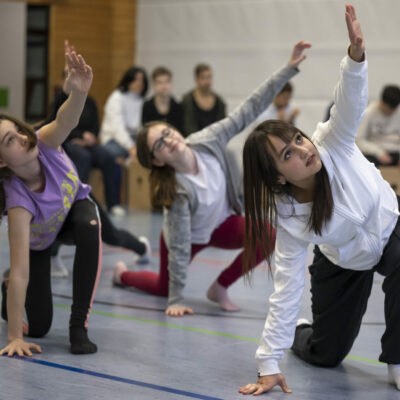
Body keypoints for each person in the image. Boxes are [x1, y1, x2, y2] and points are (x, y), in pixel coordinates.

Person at [239, 5, 400, 395]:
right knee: (326, 354)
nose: (302, 149)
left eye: (297, 139)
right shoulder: (291, 221)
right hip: (343, 260)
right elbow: (286, 287)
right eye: (287, 155)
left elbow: (350, 101)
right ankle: (303, 334)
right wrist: (268, 361)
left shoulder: (334, 142)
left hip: (390, 226)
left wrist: (356, 57)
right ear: (277, 176)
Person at [112, 41, 311, 317]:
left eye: (167, 133)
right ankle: (123, 276)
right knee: (162, 287)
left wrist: (287, 70)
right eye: (159, 144)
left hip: (222, 224)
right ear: (157, 160)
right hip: (188, 238)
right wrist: (176, 300)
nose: (168, 141)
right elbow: (181, 247)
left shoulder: (207, 140)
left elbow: (248, 109)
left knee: (267, 235)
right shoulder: (176, 190)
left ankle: (219, 287)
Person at [0, 42, 101, 357]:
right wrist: (15, 336)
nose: (21, 136)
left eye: (16, 129)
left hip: (73, 211)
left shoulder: (43, 141)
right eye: (9, 141)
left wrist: (79, 92)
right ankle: (4, 293)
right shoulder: (18, 201)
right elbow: (19, 270)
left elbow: (66, 120)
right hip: (41, 242)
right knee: (40, 327)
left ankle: (78, 328)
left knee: (92, 225)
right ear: (2, 162)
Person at [100, 66, 148, 160]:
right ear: (128, 80)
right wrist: (131, 147)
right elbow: (117, 128)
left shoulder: (143, 101)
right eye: (136, 79)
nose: (139, 83)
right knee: (126, 153)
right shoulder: (117, 98)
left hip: (134, 139)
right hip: (113, 140)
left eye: (142, 80)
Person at [356, 84, 400, 166]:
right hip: (375, 153)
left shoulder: (397, 111)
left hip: (395, 152)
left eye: (394, 110)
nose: (391, 112)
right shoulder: (368, 113)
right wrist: (378, 152)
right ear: (382, 102)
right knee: (366, 162)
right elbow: (358, 140)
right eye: (389, 109)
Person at [181, 63, 226, 137]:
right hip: (192, 143)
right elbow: (186, 128)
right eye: (203, 78)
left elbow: (222, 128)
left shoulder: (219, 102)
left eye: (209, 77)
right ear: (196, 79)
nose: (207, 81)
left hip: (214, 143)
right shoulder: (187, 101)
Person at [142, 66, 183, 133]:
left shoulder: (178, 107)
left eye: (167, 82)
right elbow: (146, 131)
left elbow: (180, 131)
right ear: (154, 85)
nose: (164, 86)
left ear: (171, 84)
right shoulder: (147, 106)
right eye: (159, 82)